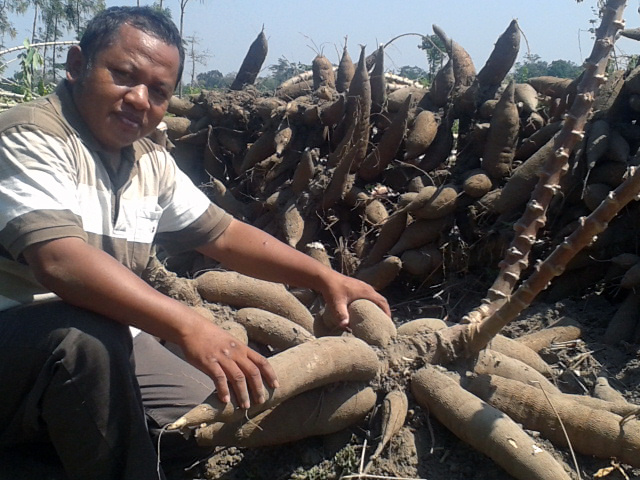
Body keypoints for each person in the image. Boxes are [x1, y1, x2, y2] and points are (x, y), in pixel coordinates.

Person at [0, 6, 390, 480]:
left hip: (108, 336)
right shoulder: (30, 134)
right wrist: (188, 324)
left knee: (208, 419)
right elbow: (61, 262)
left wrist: (323, 277)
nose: (139, 99)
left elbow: (223, 234)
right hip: (22, 335)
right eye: (123, 75)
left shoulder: (148, 161)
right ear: (79, 65)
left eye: (159, 91)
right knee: (84, 344)